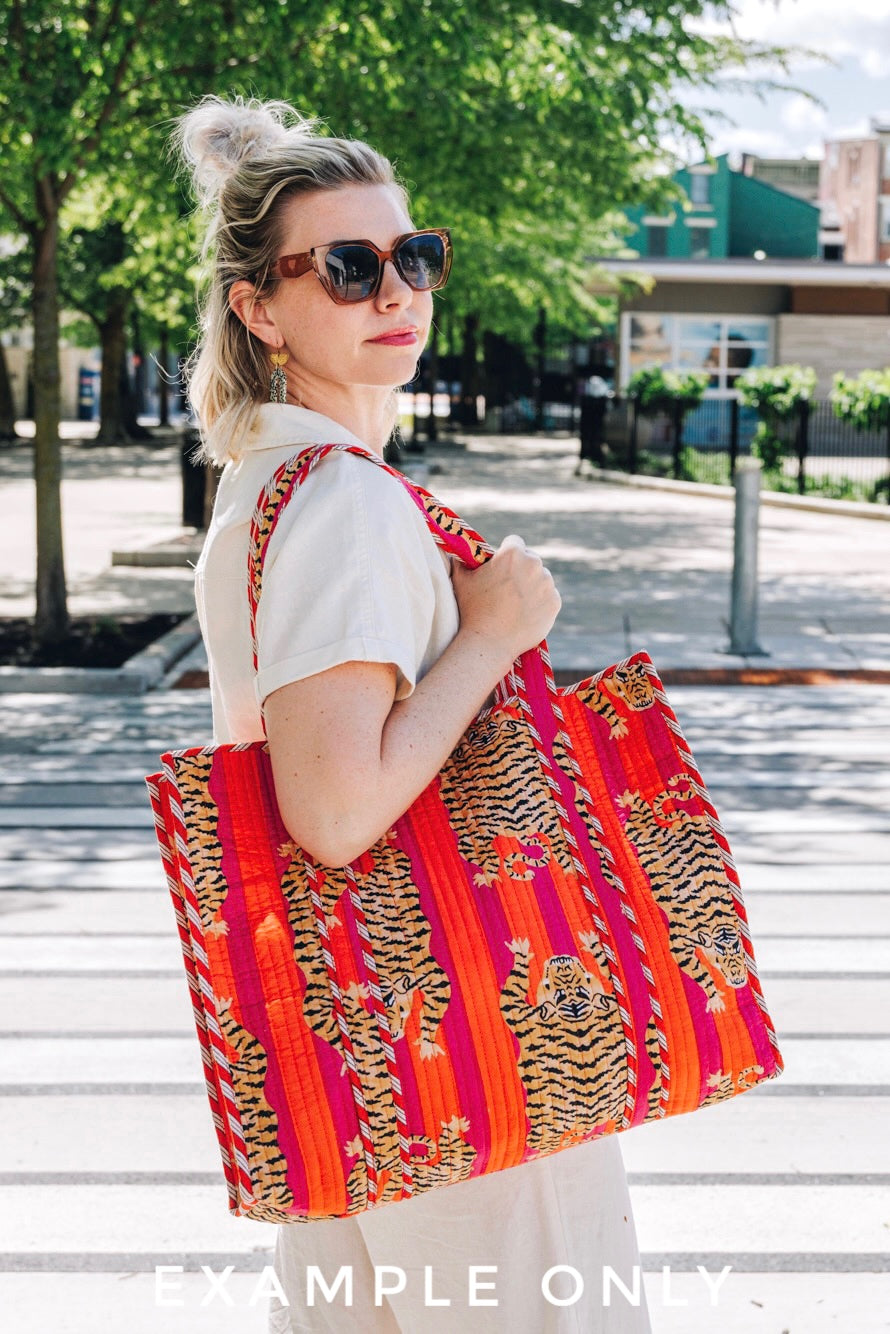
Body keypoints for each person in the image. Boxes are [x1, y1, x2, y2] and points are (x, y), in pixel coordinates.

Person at [176, 94, 651, 1334]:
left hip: (340, 1043)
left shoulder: (266, 485)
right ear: (258, 306)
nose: (393, 289)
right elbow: (334, 810)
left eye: (411, 255)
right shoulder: (341, 501)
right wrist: (494, 631)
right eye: (345, 266)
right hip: (466, 1037)